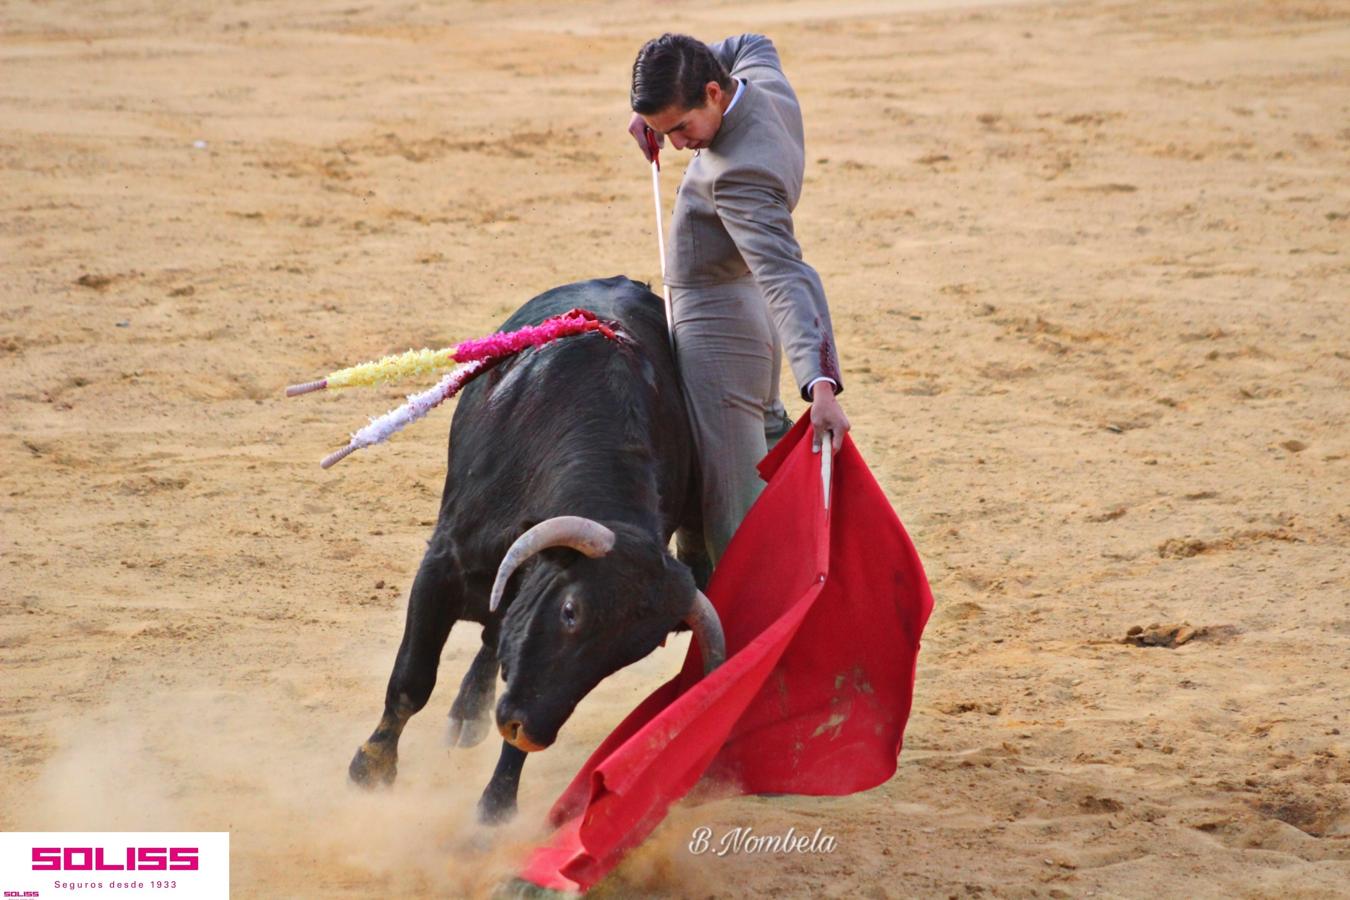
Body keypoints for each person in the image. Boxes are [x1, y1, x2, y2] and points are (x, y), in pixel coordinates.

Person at [627, 32, 851, 566]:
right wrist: (656, 114)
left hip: (717, 327)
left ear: (713, 93)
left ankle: (750, 625)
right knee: (757, 447)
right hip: (742, 309)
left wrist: (821, 383)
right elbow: (747, 40)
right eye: (665, 131)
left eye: (680, 127)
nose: (676, 144)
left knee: (731, 502)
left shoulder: (741, 176)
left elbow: (783, 274)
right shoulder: (760, 80)